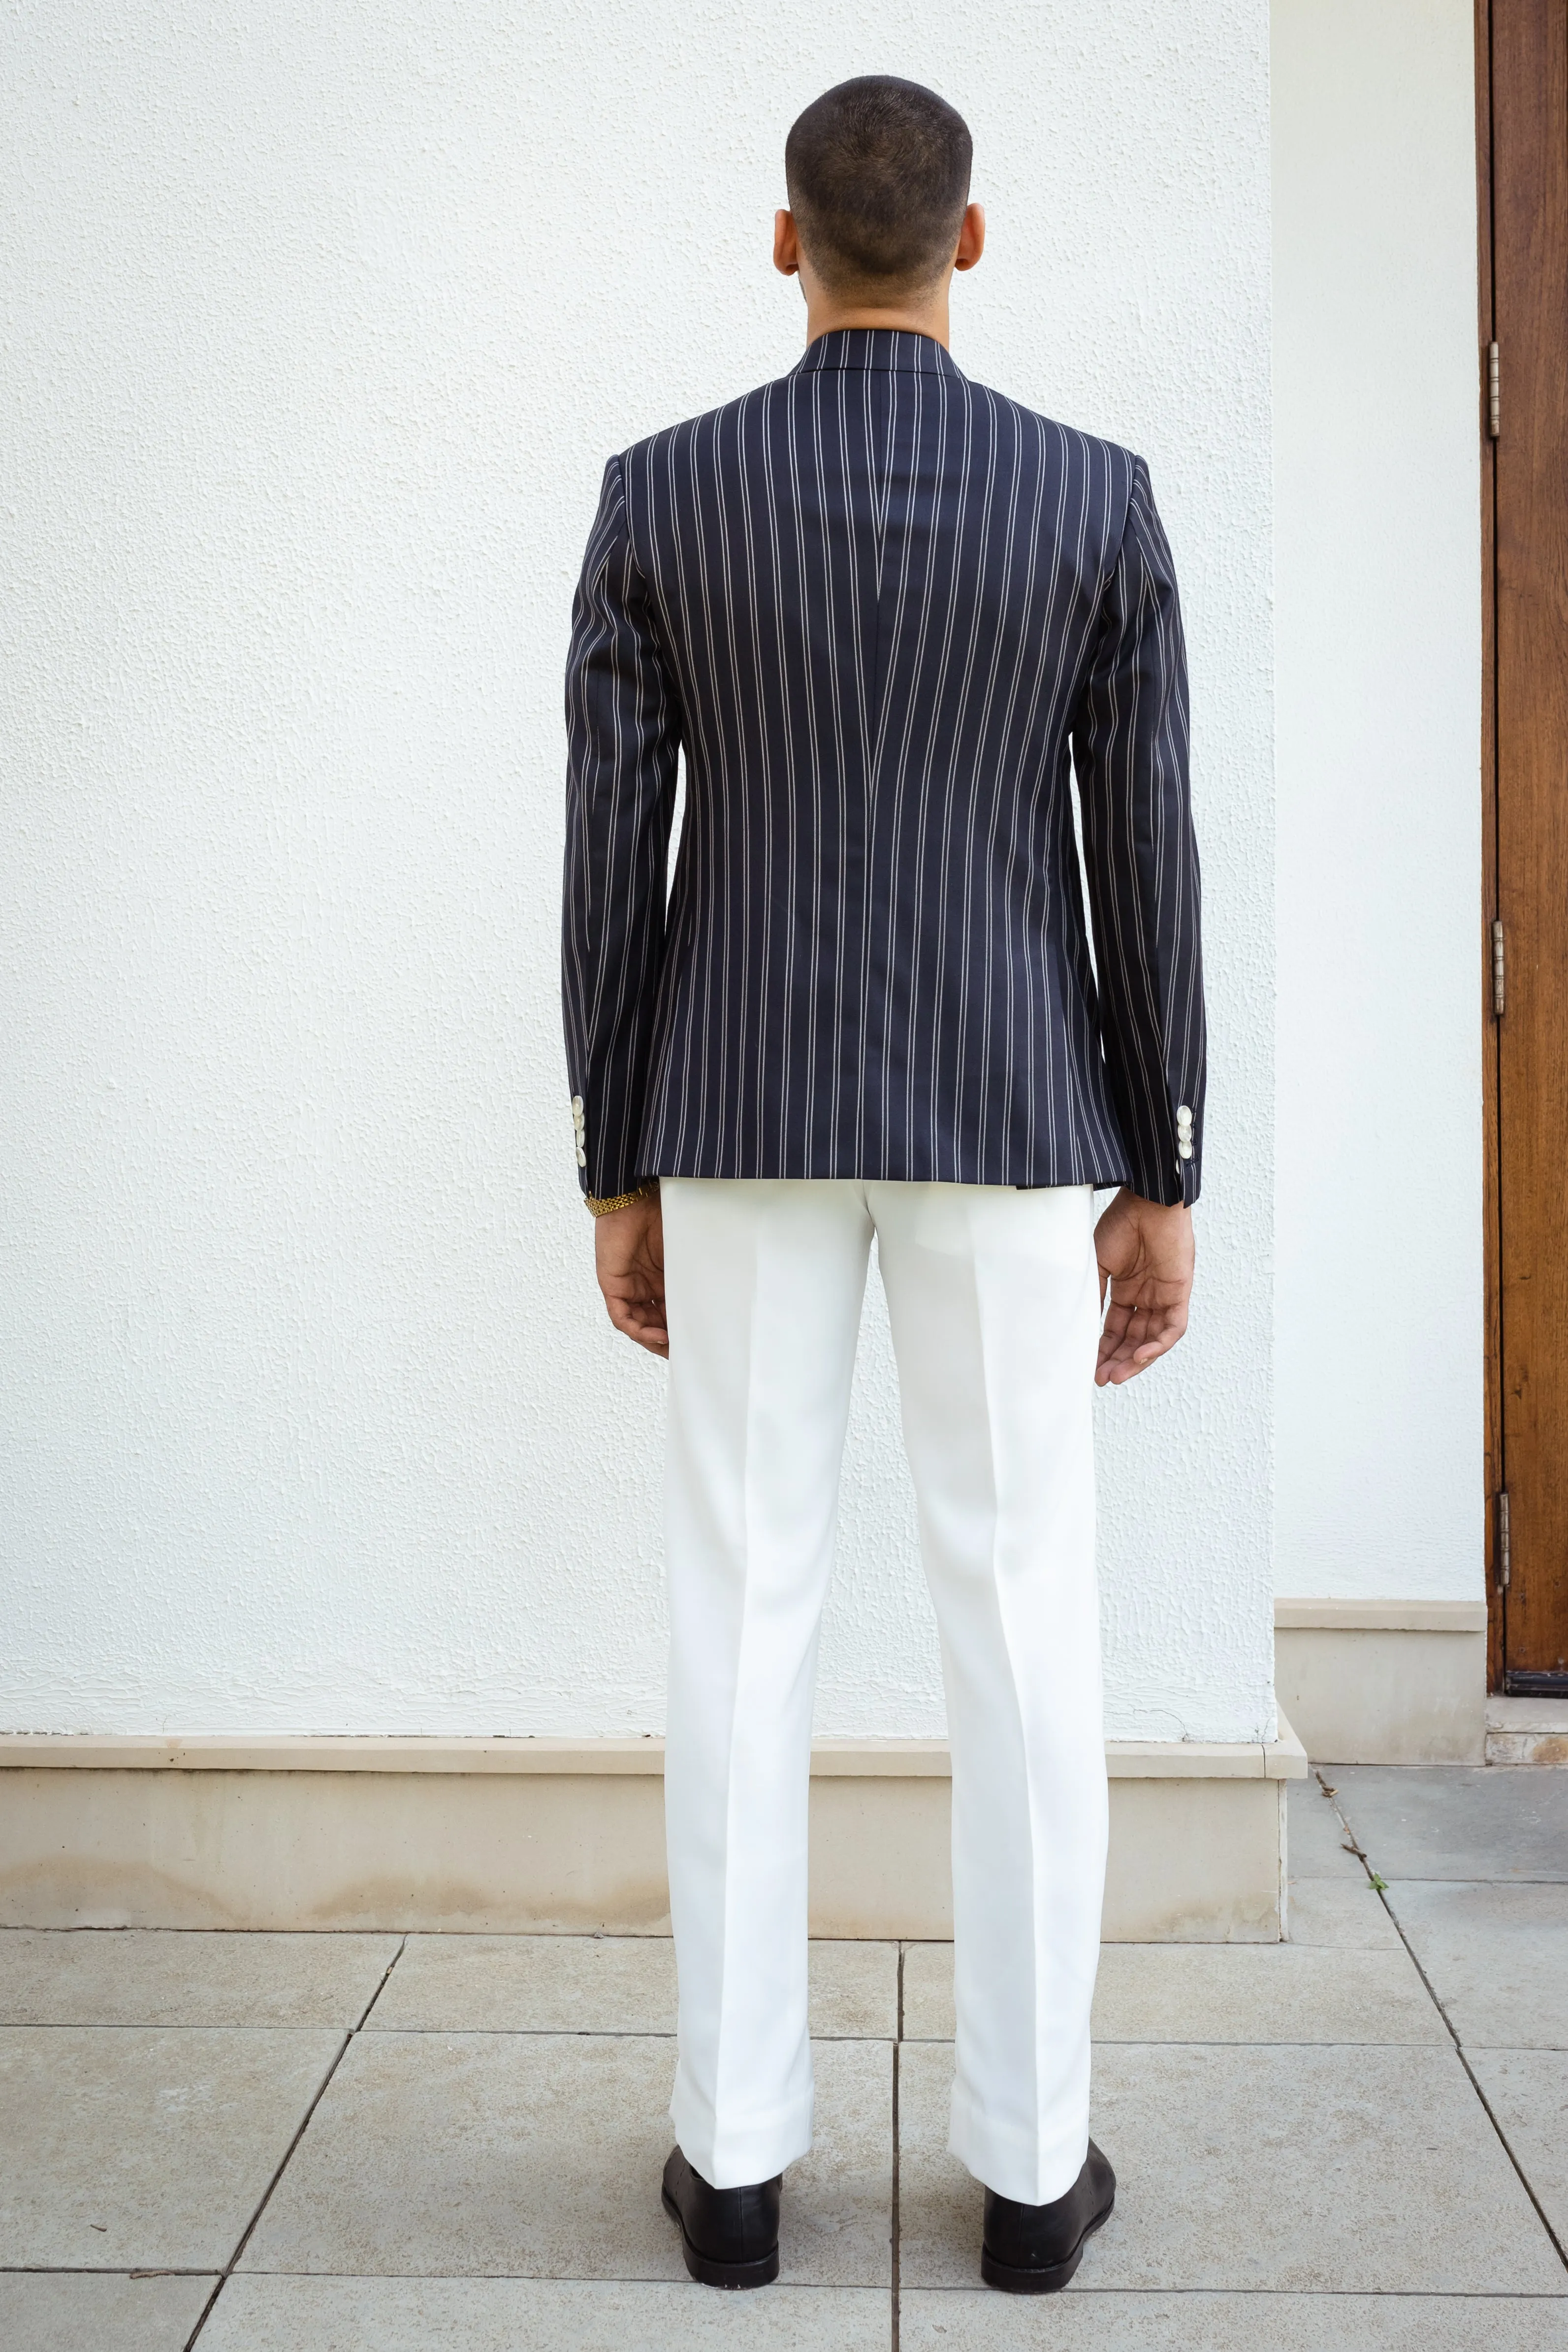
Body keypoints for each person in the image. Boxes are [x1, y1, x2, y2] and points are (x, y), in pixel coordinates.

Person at [562, 74, 1203, 2296]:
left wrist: (611, 1149)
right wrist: (1169, 1158)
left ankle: (731, 2165)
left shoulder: (665, 495)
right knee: (1022, 1620)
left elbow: (602, 862)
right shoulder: (1090, 499)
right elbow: (1147, 860)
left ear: (783, 245)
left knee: (737, 1610)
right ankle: (1035, 2176)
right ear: (971, 240)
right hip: (1017, 1114)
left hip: (736, 1107)